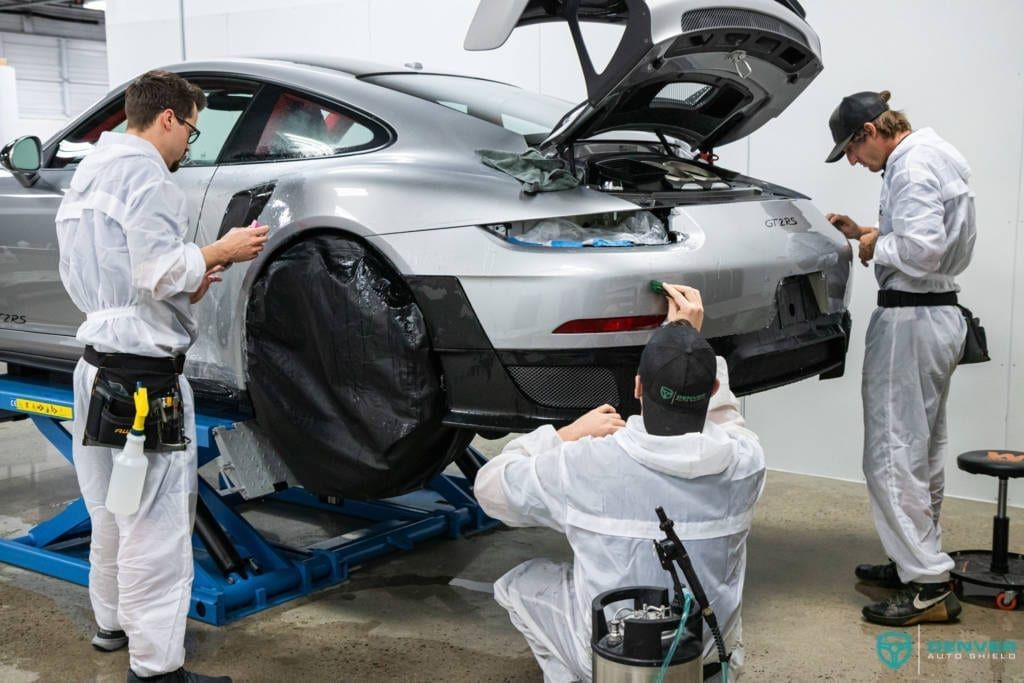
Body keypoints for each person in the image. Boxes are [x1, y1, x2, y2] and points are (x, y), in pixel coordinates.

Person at [55, 70, 270, 682]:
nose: (187, 147)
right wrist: (218, 251)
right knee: (155, 525)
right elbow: (155, 268)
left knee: (110, 507)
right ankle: (156, 669)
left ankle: (112, 625)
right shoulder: (149, 176)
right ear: (169, 118)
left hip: (98, 367)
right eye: (192, 131)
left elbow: (118, 275)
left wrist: (186, 283)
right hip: (143, 384)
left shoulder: (90, 174)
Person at [476, 284, 765, 682]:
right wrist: (689, 345)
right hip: (700, 659)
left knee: (522, 584)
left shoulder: (588, 462)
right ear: (713, 389)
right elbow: (728, 420)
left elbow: (491, 489)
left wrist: (566, 434)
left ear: (636, 387)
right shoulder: (746, 466)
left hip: (614, 658)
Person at [824, 90, 975, 626]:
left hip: (910, 320)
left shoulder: (909, 168)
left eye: (850, 148)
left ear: (870, 131)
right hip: (937, 315)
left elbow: (920, 250)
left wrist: (870, 247)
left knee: (890, 453)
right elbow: (925, 242)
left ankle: (928, 583)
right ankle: (917, 560)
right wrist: (868, 230)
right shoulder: (935, 153)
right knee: (922, 448)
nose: (852, 161)